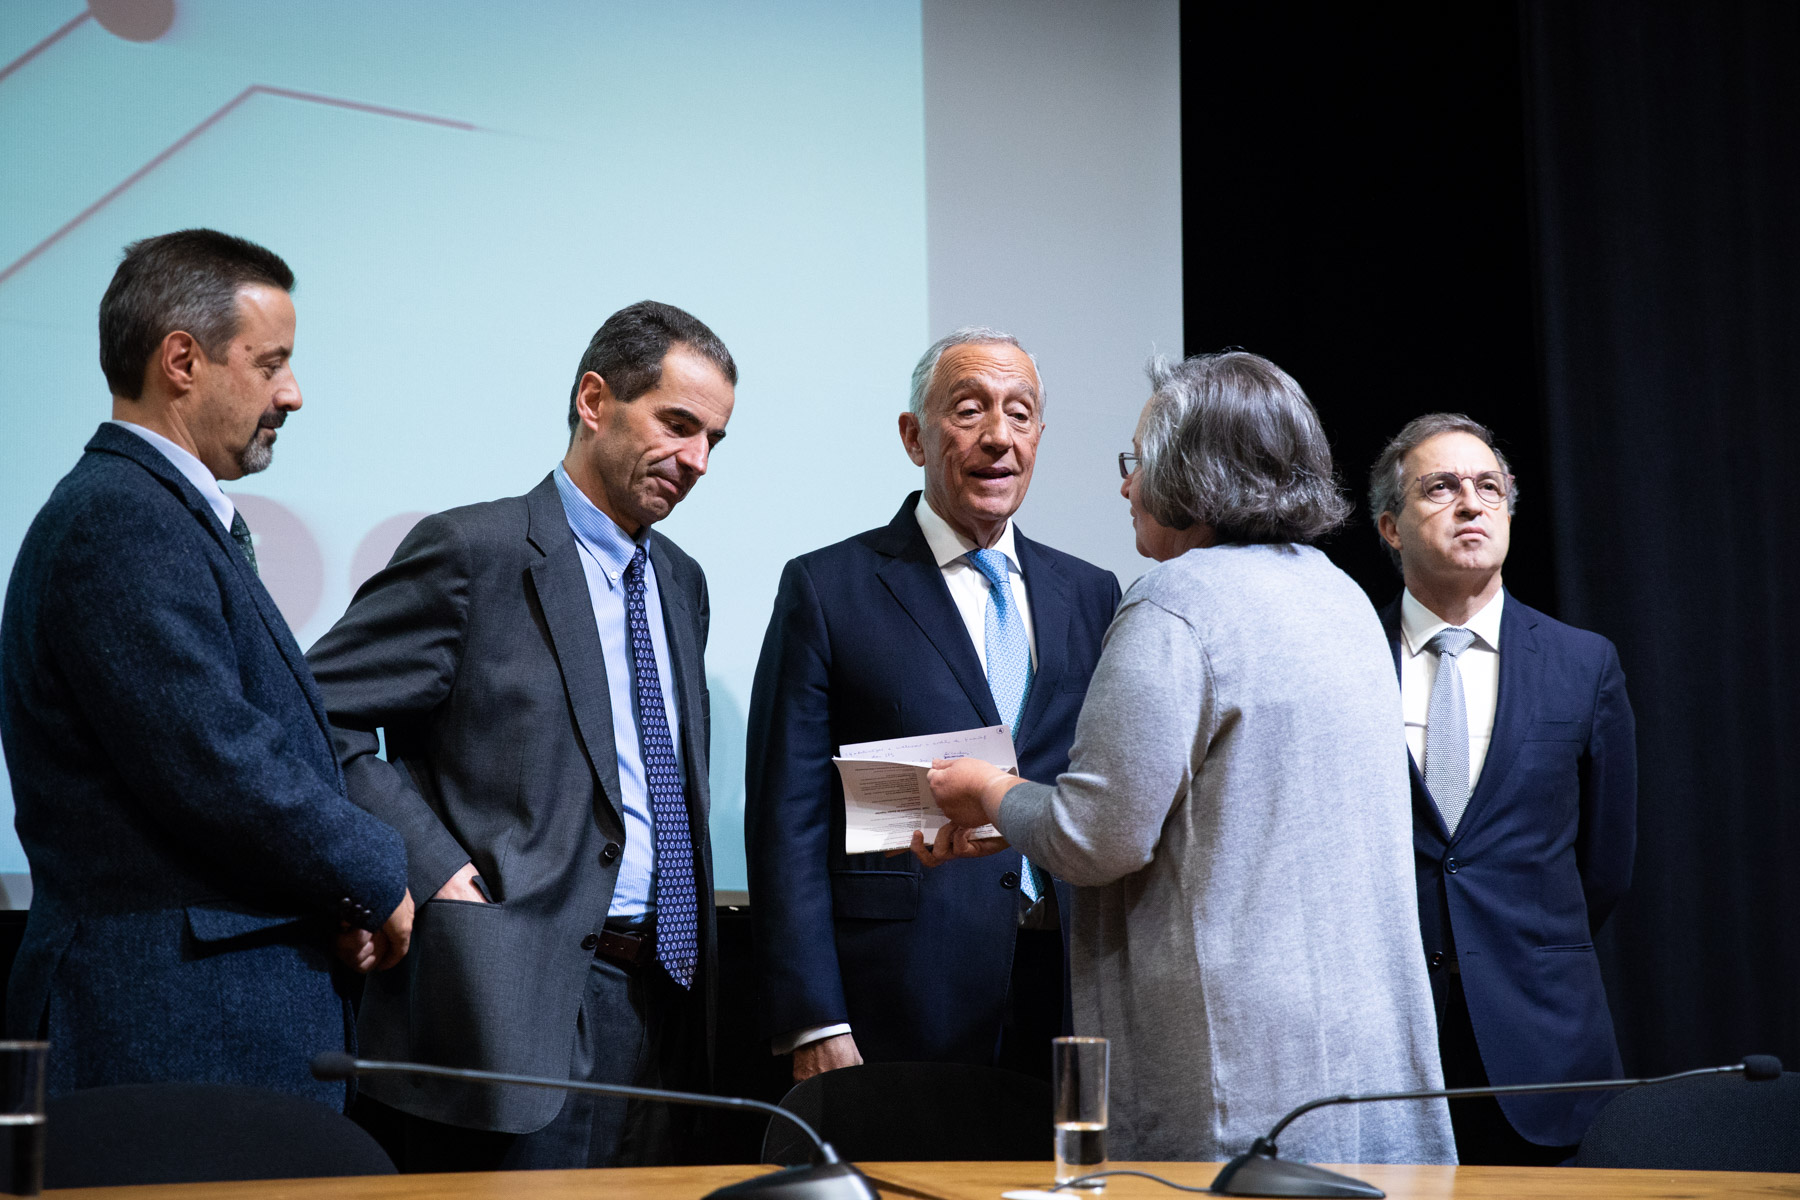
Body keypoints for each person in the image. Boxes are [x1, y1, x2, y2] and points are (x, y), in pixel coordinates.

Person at [926, 351, 1456, 1164]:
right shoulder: (1343, 597)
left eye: (1138, 460)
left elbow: (1097, 836)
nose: (1126, 485)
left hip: (1235, 1072)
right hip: (1362, 1064)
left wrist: (991, 791)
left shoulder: (1174, 604)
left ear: (1191, 470)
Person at [305, 301, 735, 1170]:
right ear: (594, 401)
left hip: (669, 1005)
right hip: (508, 1000)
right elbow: (317, 714)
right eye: (677, 424)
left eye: (713, 441)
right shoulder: (475, 550)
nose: (695, 460)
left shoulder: (681, 582)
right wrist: (430, 866)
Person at [0, 230, 412, 1109]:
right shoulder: (121, 518)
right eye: (271, 364)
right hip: (170, 1027)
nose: (292, 393)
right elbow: (213, 760)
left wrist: (331, 899)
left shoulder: (151, 512)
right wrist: (374, 871)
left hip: (203, 1018)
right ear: (182, 361)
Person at [745, 328, 1120, 1083]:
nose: (999, 437)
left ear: (1039, 437)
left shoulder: (1091, 593)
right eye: (970, 409)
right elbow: (786, 818)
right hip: (902, 997)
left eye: (1020, 414)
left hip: (1070, 994)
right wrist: (814, 1017)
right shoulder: (828, 588)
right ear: (914, 436)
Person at [1369, 414, 1636, 1164]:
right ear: (1390, 527)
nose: (1471, 503)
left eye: (1489, 487)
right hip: (1389, 1038)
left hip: (1543, 1041)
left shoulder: (1583, 663)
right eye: (1440, 487)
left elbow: (1605, 866)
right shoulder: (1347, 658)